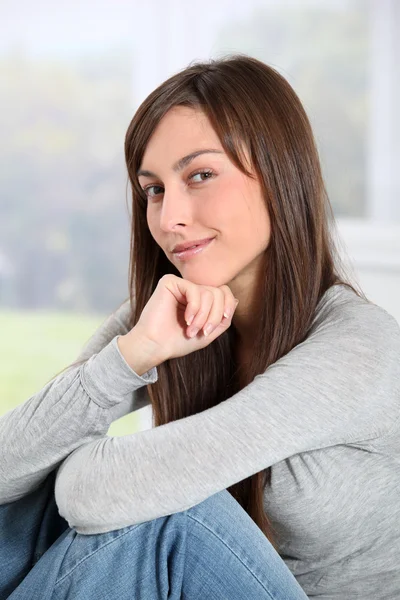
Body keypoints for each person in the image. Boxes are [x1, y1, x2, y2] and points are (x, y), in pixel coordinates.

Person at [0, 54, 399, 600]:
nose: (169, 219)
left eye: (201, 175)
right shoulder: (169, 308)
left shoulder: (358, 350)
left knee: (168, 519)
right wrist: (131, 355)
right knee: (24, 504)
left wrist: (72, 464)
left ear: (282, 176)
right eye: (154, 189)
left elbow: (93, 494)